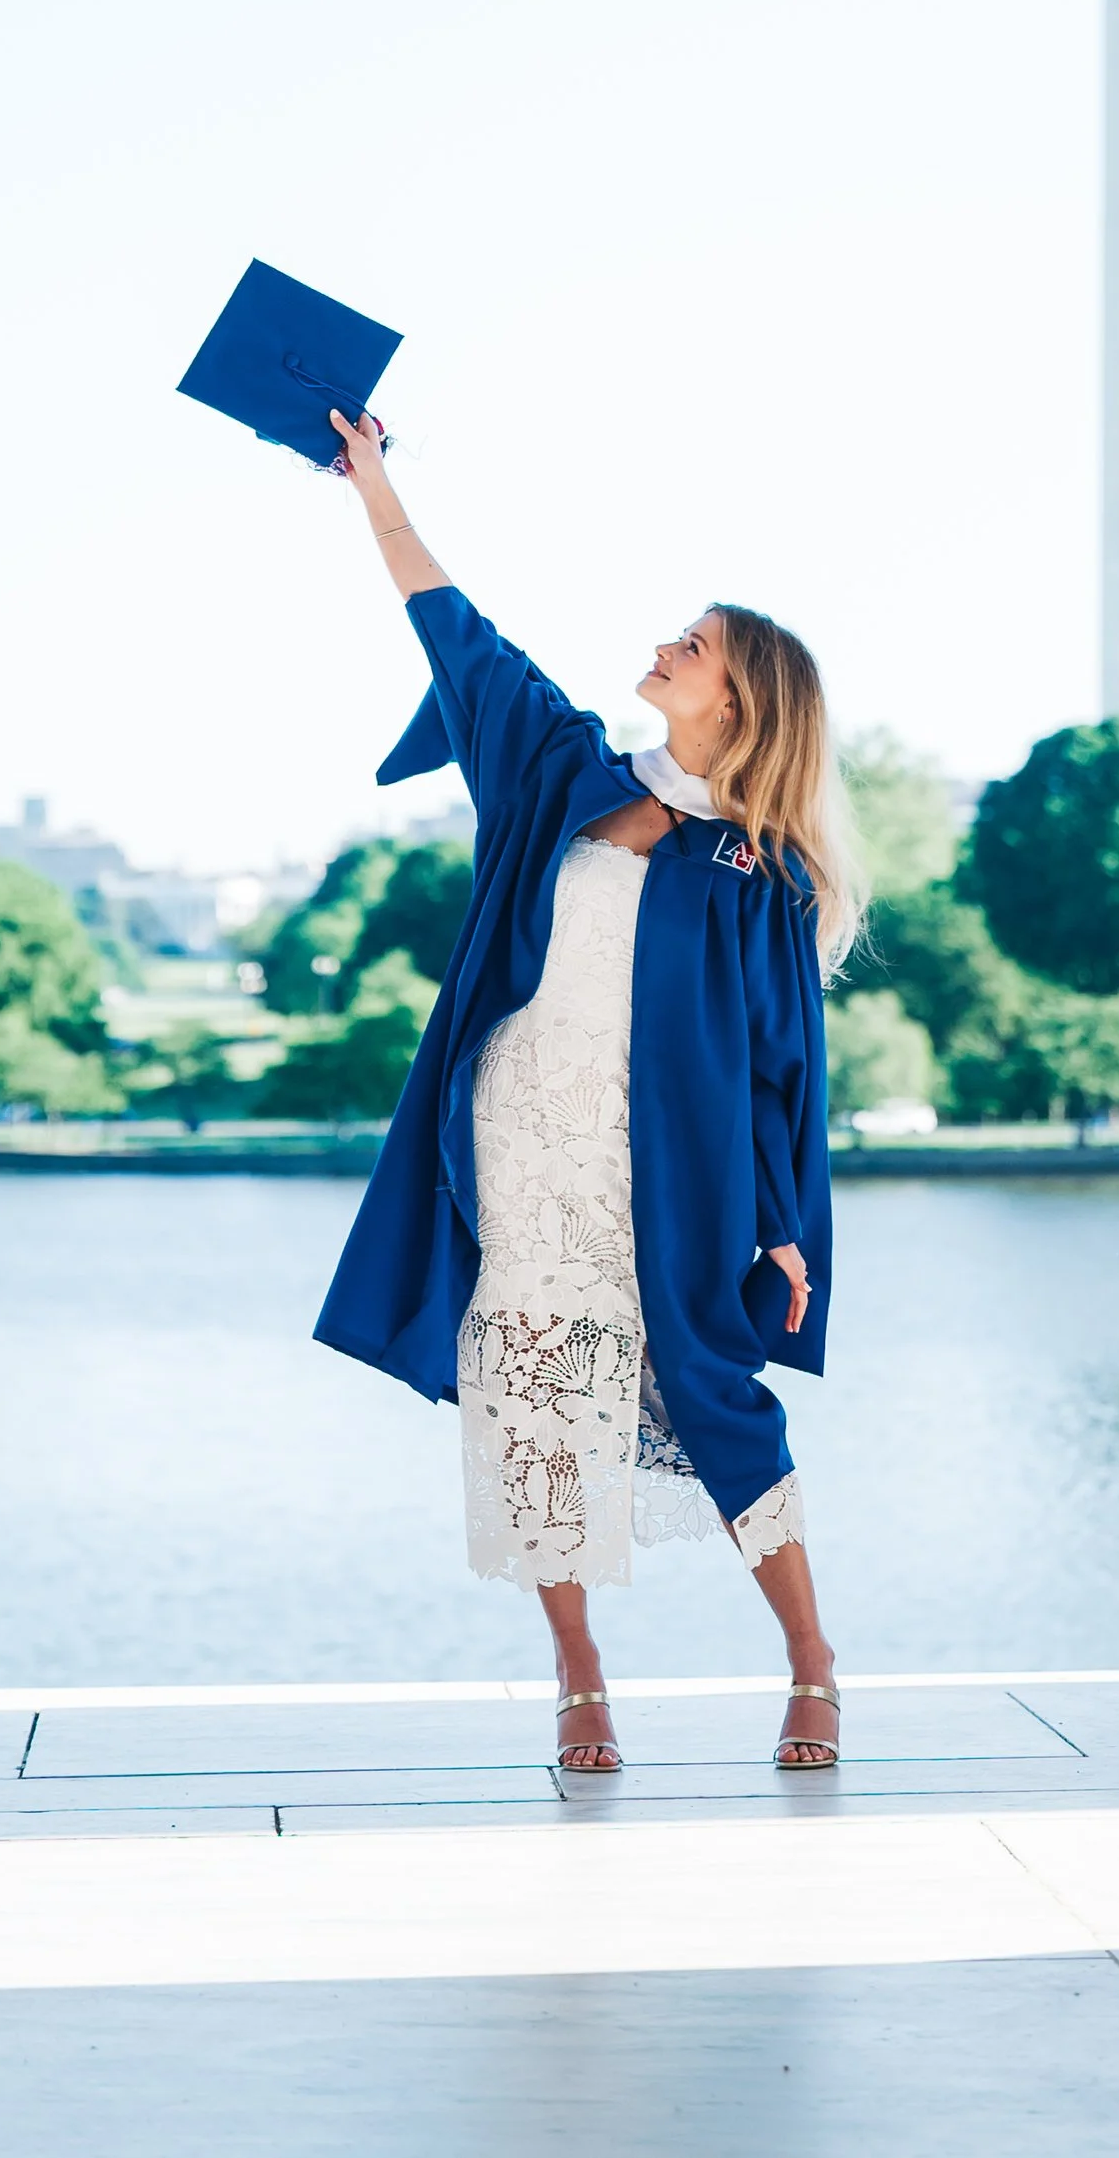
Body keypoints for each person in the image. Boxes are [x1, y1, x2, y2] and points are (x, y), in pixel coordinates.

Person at [312, 411, 864, 1776]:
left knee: (713, 1391)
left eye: (699, 646)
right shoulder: (560, 770)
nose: (669, 647)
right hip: (513, 1137)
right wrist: (374, 487)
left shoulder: (763, 873)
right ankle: (579, 1680)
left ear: (736, 702)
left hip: (664, 1163)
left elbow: (785, 1061)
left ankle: (813, 1662)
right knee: (531, 1398)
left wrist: (786, 1221)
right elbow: (455, 628)